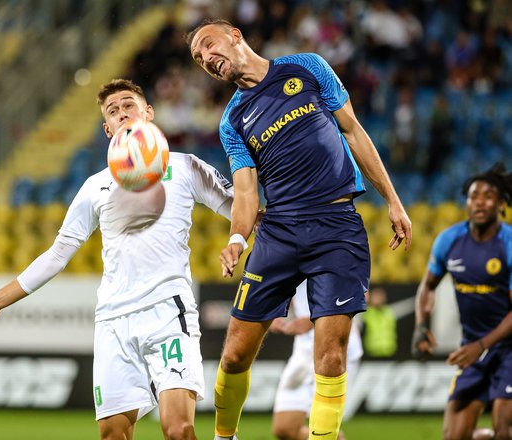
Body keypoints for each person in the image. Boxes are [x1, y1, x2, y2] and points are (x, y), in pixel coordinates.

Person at [0, 79, 234, 440]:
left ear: (148, 113)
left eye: (129, 105)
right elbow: (58, 253)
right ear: (107, 129)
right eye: (113, 111)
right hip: (113, 320)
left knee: (179, 430)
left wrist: (244, 236)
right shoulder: (95, 186)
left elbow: (240, 209)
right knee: (112, 434)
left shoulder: (185, 166)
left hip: (168, 312)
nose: (122, 113)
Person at [186, 19, 412, 440]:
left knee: (330, 358)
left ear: (235, 35)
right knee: (234, 356)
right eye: (198, 59)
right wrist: (237, 238)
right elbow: (246, 192)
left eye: (208, 46)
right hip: (280, 231)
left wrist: (393, 201)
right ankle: (224, 437)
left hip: (337, 226)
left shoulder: (307, 67)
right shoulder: (232, 120)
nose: (206, 60)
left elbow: (354, 131)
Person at [413, 163, 511, 440]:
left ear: (501, 203)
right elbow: (427, 287)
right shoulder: (449, 240)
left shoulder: (509, 244)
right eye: (473, 195)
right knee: (454, 437)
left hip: (508, 349)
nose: (479, 202)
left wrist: (480, 345)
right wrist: (421, 326)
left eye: (488, 196)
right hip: (474, 350)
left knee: (506, 430)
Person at [270, 280, 363, 440]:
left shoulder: (336, 255)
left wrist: (314, 319)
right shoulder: (286, 255)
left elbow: (359, 293)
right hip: (303, 349)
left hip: (336, 348)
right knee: (284, 429)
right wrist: (276, 313)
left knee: (325, 430)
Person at [362, 287, 397, 357]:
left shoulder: (390, 311)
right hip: (371, 352)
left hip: (389, 352)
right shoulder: (366, 312)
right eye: (375, 297)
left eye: (380, 297)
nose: (378, 299)